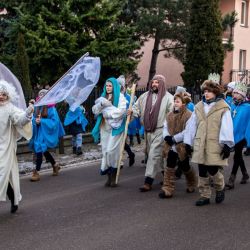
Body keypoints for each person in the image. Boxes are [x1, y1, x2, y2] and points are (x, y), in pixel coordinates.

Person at [184, 74, 234, 206]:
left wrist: (227, 145)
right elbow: (191, 125)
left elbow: (227, 126)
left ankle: (220, 186)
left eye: (209, 91)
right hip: (200, 142)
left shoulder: (223, 107)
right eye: (205, 91)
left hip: (214, 143)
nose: (206, 94)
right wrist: (188, 143)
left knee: (212, 168)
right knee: (201, 169)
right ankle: (205, 195)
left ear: (215, 92)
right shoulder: (199, 106)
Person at [129, 74, 174, 192]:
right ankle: (167, 176)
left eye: (157, 82)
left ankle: (147, 182)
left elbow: (172, 114)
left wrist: (169, 129)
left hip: (161, 130)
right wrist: (131, 112)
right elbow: (136, 108)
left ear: (162, 84)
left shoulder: (169, 98)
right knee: (155, 156)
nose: (154, 84)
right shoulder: (144, 96)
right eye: (153, 82)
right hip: (147, 131)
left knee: (154, 155)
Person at [0, 80, 33, 213]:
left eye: (3, 94)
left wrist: (28, 113)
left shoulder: (10, 108)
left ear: (8, 96)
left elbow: (19, 121)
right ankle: (13, 197)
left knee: (2, 174)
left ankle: (12, 198)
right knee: (3, 176)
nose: (1, 96)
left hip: (4, 147)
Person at [159, 93, 197, 198]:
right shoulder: (169, 114)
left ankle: (191, 182)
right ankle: (167, 188)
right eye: (174, 101)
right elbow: (165, 126)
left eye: (178, 101)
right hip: (171, 144)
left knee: (185, 166)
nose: (175, 103)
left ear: (184, 103)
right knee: (169, 165)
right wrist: (166, 136)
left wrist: (175, 138)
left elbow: (188, 131)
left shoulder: (189, 115)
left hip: (182, 145)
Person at [92, 78, 127, 187]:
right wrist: (101, 105)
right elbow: (95, 111)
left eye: (110, 86)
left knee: (112, 151)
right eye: (106, 86)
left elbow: (121, 111)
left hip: (116, 128)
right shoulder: (102, 97)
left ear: (115, 87)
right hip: (104, 127)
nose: (108, 88)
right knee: (105, 152)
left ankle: (114, 173)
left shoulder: (120, 97)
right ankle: (109, 176)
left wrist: (107, 113)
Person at [29, 89, 65, 182]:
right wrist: (35, 121)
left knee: (39, 149)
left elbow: (54, 122)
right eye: (40, 95)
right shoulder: (37, 107)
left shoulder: (51, 108)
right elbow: (33, 119)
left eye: (43, 95)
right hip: (39, 132)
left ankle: (36, 172)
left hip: (46, 133)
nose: (41, 96)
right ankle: (55, 165)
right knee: (43, 150)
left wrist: (42, 121)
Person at [225, 82, 250, 189]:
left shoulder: (248, 107)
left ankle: (232, 179)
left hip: (242, 135)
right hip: (233, 134)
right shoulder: (232, 105)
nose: (234, 95)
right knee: (239, 156)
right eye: (234, 92)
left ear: (243, 95)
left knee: (237, 155)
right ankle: (245, 174)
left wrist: (247, 137)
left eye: (237, 93)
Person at [117, 75, 135, 167]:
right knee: (119, 143)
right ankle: (130, 154)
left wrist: (129, 113)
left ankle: (120, 161)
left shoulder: (127, 98)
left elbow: (132, 110)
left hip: (123, 123)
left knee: (121, 142)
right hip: (115, 123)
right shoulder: (115, 96)